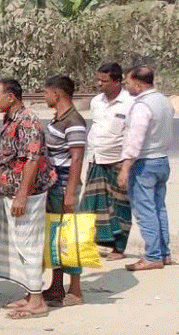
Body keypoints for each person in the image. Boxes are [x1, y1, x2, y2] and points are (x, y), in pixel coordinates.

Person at [0, 78, 57, 319]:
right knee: (17, 244)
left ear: (11, 97)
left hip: (27, 194)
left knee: (28, 243)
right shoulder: (11, 119)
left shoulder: (27, 121)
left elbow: (32, 159)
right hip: (11, 191)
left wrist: (22, 195)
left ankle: (37, 301)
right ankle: (29, 293)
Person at [118, 66, 174, 271]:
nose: (127, 86)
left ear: (139, 84)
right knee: (159, 207)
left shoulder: (143, 106)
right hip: (161, 159)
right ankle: (163, 253)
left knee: (145, 210)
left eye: (129, 83)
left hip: (145, 163)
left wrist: (125, 168)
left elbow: (135, 139)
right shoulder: (163, 101)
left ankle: (152, 256)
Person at [41, 75, 87, 307]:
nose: (45, 97)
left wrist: (70, 193)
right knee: (55, 236)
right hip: (54, 182)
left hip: (65, 183)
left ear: (56, 94)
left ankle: (75, 290)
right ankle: (56, 286)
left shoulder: (74, 121)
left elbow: (77, 157)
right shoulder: (59, 118)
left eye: (47, 93)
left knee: (69, 236)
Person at [79, 63, 133, 261]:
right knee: (91, 203)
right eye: (98, 80)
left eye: (104, 80)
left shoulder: (129, 102)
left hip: (118, 160)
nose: (99, 84)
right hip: (96, 159)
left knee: (119, 205)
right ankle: (90, 244)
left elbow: (133, 133)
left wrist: (127, 166)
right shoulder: (96, 102)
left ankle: (118, 248)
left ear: (118, 81)